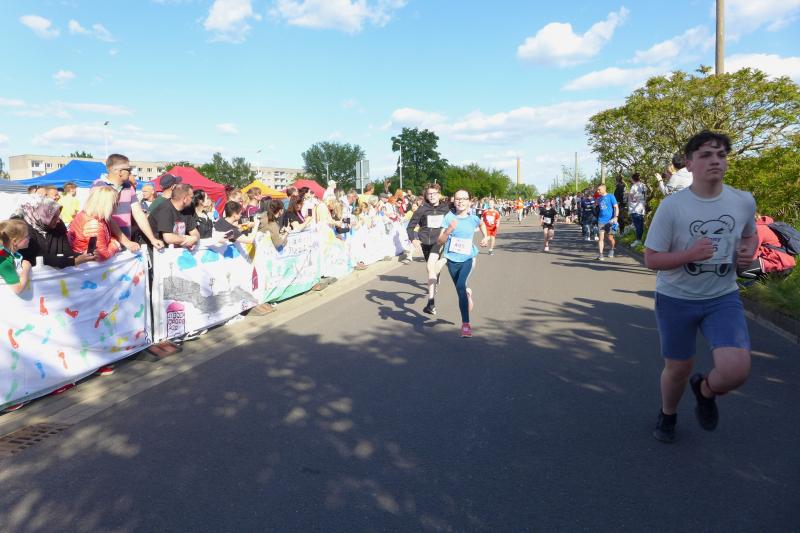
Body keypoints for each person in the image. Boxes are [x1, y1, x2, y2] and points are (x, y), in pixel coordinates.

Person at [645, 131, 758, 444]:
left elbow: (750, 235)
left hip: (723, 297)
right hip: (676, 298)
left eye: (721, 155)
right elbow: (651, 259)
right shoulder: (672, 207)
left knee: (736, 370)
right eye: (706, 155)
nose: (715, 161)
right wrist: (689, 255)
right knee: (679, 368)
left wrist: (748, 250)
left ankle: (705, 390)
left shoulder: (742, 201)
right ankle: (668, 414)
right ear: (690, 164)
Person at [437, 189, 489, 337]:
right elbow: (440, 241)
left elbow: (482, 224)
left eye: (464, 198)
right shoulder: (448, 217)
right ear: (454, 201)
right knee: (460, 290)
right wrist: (448, 230)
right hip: (451, 260)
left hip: (468, 258)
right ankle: (467, 293)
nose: (460, 201)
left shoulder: (473, 218)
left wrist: (485, 237)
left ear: (470, 201)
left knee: (460, 286)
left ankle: (466, 324)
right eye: (457, 198)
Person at [94, 154, 164, 253]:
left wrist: (152, 239)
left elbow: (138, 214)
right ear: (120, 172)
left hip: (125, 245)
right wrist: (126, 242)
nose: (131, 173)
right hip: (106, 247)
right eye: (129, 170)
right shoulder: (99, 186)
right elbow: (105, 217)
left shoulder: (128, 187)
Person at [406, 183, 452, 314]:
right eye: (429, 194)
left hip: (439, 241)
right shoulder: (422, 209)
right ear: (426, 195)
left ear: (439, 194)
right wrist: (413, 239)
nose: (431, 196)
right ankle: (436, 277)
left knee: (430, 267)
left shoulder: (445, 208)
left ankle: (431, 303)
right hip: (425, 242)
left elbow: (454, 222)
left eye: (434, 194)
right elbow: (410, 227)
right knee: (431, 269)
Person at [13, 196, 95, 269]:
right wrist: (73, 261)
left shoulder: (58, 226)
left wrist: (83, 256)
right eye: (53, 217)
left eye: (58, 216)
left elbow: (66, 252)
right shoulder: (24, 229)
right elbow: (36, 257)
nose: (58, 220)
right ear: (40, 215)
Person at [67, 186, 123, 261]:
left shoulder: (87, 214)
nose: (117, 206)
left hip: (81, 258)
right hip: (87, 263)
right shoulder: (94, 224)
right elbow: (102, 255)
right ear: (108, 205)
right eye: (116, 203)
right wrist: (115, 243)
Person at [148, 183, 199, 249]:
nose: (192, 200)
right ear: (184, 199)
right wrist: (186, 239)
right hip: (157, 250)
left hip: (174, 250)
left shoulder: (186, 209)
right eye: (191, 197)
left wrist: (194, 238)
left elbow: (194, 232)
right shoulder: (165, 209)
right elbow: (168, 238)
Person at [0, 219, 32, 296]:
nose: (29, 238)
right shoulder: (4, 260)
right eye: (26, 236)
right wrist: (26, 269)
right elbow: (18, 289)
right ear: (14, 241)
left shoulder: (13, 254)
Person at [595, 183, 619, 260]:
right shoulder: (599, 198)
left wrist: (615, 217)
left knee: (610, 238)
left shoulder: (611, 196)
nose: (598, 191)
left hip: (610, 221)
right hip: (601, 220)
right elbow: (597, 207)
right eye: (597, 189)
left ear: (604, 189)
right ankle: (601, 254)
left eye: (599, 189)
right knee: (601, 238)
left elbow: (616, 207)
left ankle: (612, 249)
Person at [627, 173, 647, 245]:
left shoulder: (634, 186)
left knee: (637, 225)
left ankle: (638, 240)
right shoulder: (643, 185)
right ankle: (640, 240)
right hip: (642, 208)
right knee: (640, 225)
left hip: (635, 208)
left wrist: (631, 198)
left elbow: (631, 196)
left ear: (633, 179)